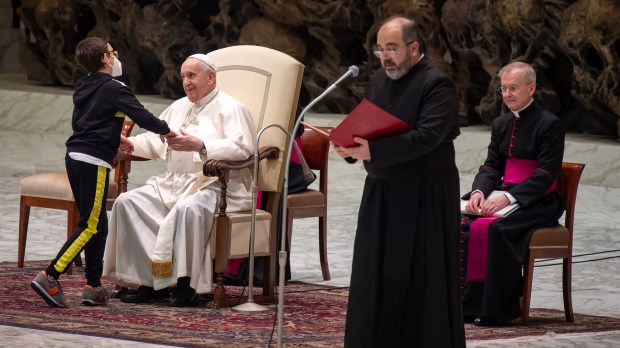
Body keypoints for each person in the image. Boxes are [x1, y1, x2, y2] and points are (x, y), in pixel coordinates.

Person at [333, 16, 465, 347]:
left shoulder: (437, 84)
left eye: (392, 48)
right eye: (380, 50)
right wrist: (349, 147)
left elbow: (427, 137)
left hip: (424, 196)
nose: (385, 57)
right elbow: (367, 126)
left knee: (422, 277)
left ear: (414, 47)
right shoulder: (379, 80)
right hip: (383, 191)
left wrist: (371, 150)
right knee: (374, 274)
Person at [102, 53, 256, 307]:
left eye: (192, 76)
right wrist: (129, 145)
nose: (186, 82)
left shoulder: (232, 108)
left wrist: (202, 145)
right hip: (172, 183)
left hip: (213, 185)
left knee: (188, 209)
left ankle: (187, 286)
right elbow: (153, 140)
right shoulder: (179, 106)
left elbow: (244, 149)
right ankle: (149, 282)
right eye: (184, 76)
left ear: (211, 77)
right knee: (127, 202)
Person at [30, 37, 174, 308]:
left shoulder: (83, 85)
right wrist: (169, 132)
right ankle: (50, 275)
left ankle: (93, 286)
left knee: (98, 223)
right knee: (90, 224)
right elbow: (142, 117)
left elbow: (85, 121)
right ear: (106, 60)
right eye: (112, 52)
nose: (115, 56)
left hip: (74, 156)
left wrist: (114, 137)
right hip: (93, 160)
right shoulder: (115, 88)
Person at [460, 62, 565, 326]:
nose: (507, 94)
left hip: (538, 200)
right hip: (502, 193)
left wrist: (508, 198)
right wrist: (478, 192)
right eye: (504, 89)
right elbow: (491, 165)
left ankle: (499, 309)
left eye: (513, 88)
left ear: (531, 88)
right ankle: (464, 305)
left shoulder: (550, 124)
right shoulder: (501, 123)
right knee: (460, 220)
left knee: (499, 230)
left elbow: (546, 173)